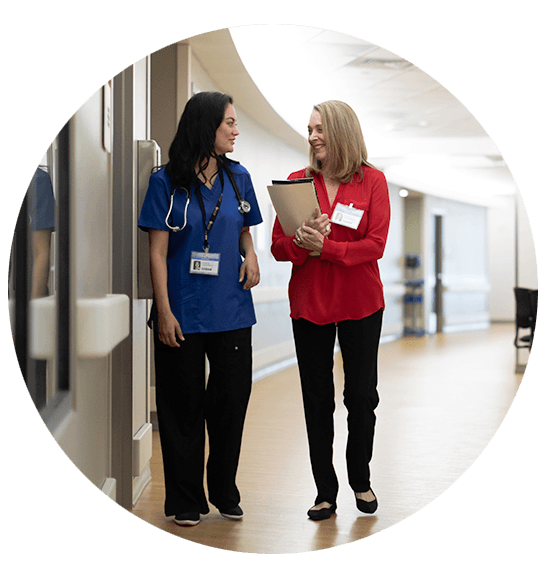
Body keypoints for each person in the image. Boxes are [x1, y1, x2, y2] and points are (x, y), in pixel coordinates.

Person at [138, 91, 262, 527]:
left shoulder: (238, 176)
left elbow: (244, 226)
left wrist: (251, 254)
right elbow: (157, 253)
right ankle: (186, 499)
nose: (235, 130)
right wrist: (164, 311)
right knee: (181, 406)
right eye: (229, 122)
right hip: (183, 312)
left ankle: (224, 490)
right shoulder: (165, 182)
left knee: (231, 402)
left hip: (231, 309)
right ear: (206, 126)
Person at [271, 100, 390, 520]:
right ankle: (325, 491)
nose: (312, 136)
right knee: (316, 399)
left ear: (341, 131)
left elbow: (375, 245)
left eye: (319, 128)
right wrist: (301, 245)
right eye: (309, 129)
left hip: (360, 303)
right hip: (311, 303)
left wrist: (329, 248)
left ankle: (361, 478)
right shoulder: (296, 182)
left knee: (360, 396)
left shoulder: (372, 181)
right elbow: (278, 247)